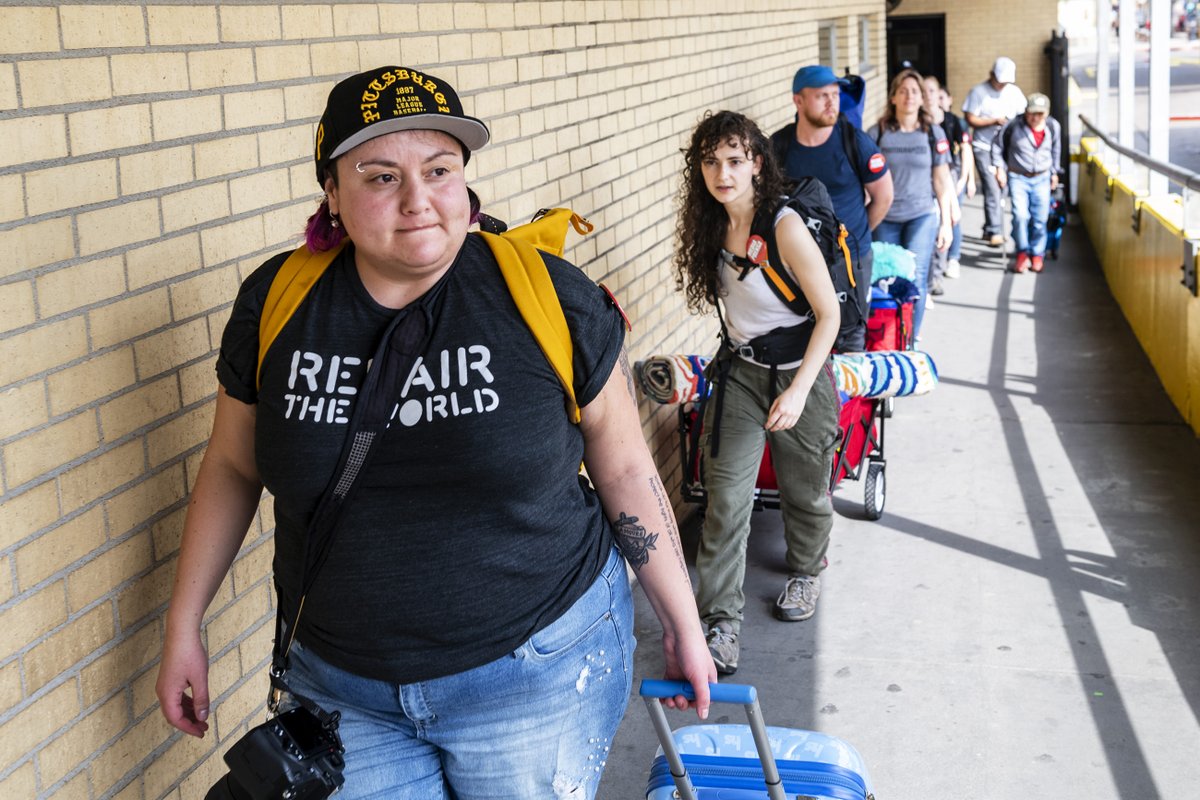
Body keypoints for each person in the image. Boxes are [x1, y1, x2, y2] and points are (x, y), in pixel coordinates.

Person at [155, 65, 715, 799]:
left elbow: (626, 472)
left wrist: (682, 620)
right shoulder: (277, 304)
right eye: (380, 175)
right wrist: (184, 621)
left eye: (440, 169)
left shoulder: (550, 297)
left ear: (465, 179)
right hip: (342, 694)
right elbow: (232, 466)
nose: (418, 200)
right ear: (332, 190)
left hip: (536, 675)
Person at [675, 110, 841, 675]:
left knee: (805, 489)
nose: (722, 173)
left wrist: (798, 392)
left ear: (756, 165)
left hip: (802, 373)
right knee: (724, 498)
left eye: (734, 161)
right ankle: (720, 624)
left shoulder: (785, 226)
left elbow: (829, 314)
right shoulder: (710, 224)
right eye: (710, 161)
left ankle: (805, 570)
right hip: (742, 376)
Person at [771, 65, 894, 352]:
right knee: (803, 332)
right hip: (798, 262)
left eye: (836, 95)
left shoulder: (855, 141)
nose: (832, 102)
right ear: (798, 101)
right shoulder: (778, 146)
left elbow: (884, 196)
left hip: (851, 260)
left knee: (850, 333)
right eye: (822, 95)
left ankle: (849, 397)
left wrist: (854, 238)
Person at [867, 69, 955, 340]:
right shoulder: (877, 133)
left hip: (922, 216)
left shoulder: (933, 133)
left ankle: (909, 341)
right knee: (887, 279)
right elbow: (865, 179)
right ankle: (887, 339)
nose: (909, 96)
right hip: (885, 216)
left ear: (921, 98)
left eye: (914, 91)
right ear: (893, 97)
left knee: (916, 279)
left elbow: (941, 180)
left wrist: (947, 222)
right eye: (902, 91)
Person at [992, 93, 1062, 273]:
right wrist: (1000, 168)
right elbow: (998, 146)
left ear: (1046, 114)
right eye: (1032, 113)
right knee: (1020, 216)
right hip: (1018, 177)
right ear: (1026, 112)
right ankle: (1022, 252)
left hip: (1042, 177)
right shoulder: (1013, 125)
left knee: (1040, 218)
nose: (1035, 118)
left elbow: (1055, 151)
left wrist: (1054, 172)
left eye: (1040, 114)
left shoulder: (1053, 127)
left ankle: (1037, 253)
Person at [962, 56, 1027, 247]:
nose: (1001, 86)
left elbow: (1023, 115)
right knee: (992, 188)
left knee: (1003, 188)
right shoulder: (979, 92)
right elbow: (970, 119)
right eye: (999, 81)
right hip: (984, 147)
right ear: (991, 75)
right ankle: (995, 231)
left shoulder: (1014, 93)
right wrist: (993, 121)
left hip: (1007, 148)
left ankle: (989, 227)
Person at [923, 76, 976, 287]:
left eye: (933, 91)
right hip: (925, 178)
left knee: (951, 219)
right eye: (923, 91)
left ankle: (951, 260)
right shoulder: (918, 123)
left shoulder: (953, 121)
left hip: (950, 175)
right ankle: (931, 274)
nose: (928, 96)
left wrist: (967, 178)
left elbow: (966, 150)